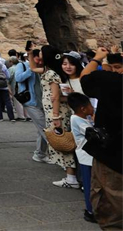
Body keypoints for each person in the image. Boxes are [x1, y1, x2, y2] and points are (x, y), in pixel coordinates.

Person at [80, 47, 122, 229]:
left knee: (110, 206)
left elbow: (85, 77)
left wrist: (98, 59)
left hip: (113, 155)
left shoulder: (111, 82)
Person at [40, 45, 79, 189]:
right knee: (64, 141)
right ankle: (70, 174)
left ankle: (71, 177)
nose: (39, 57)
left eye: (40, 55)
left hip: (56, 113)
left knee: (64, 142)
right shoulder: (54, 72)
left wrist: (55, 116)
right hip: (58, 111)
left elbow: (55, 97)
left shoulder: (51, 74)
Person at [67, 92, 97, 223]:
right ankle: (90, 211)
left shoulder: (85, 117)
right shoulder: (77, 119)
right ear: (83, 109)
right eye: (91, 106)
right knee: (89, 184)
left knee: (92, 183)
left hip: (90, 156)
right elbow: (92, 133)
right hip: (86, 157)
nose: (93, 108)